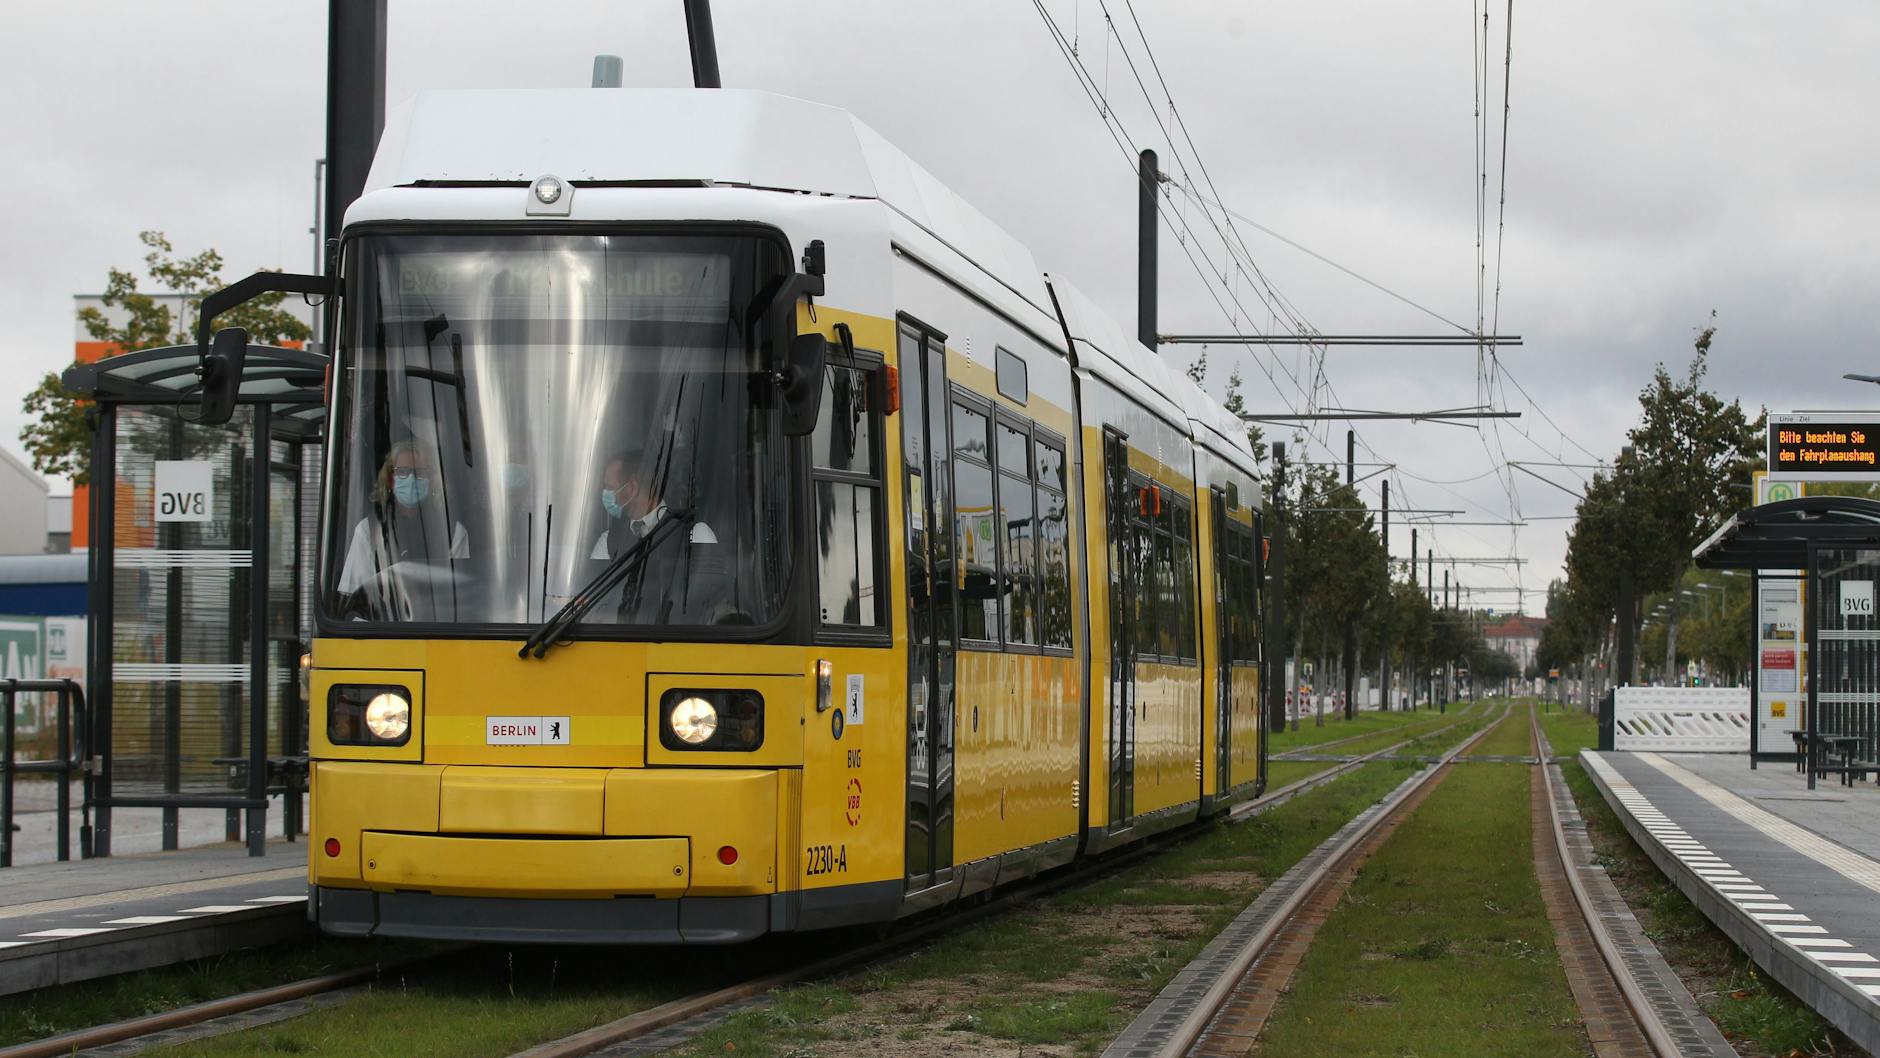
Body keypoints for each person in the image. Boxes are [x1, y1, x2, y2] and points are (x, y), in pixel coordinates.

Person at [336, 440, 469, 617]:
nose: (412, 479)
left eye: (420, 473)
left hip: (440, 628)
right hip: (384, 632)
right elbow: (352, 595)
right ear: (391, 478)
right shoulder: (368, 529)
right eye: (403, 472)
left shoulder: (453, 531)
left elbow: (463, 594)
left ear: (431, 480)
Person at [589, 451, 717, 622]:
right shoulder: (607, 542)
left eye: (610, 487)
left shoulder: (695, 535)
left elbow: (711, 608)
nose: (605, 494)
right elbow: (594, 609)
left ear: (632, 487)